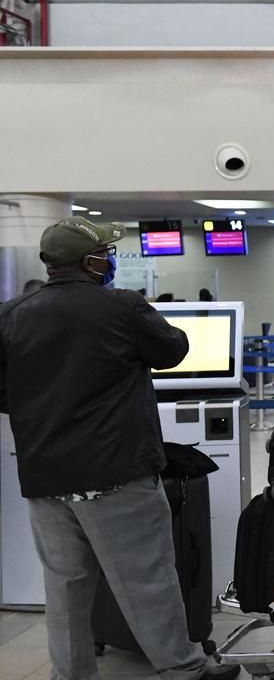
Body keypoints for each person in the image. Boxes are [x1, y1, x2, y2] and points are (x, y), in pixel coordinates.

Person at [0, 218, 238, 680]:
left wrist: (44, 412)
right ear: (92, 262)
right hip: (116, 471)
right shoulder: (121, 306)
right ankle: (182, 668)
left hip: (46, 475)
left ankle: (71, 674)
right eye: (107, 252)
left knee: (66, 584)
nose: (111, 259)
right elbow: (173, 350)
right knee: (147, 578)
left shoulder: (10, 314)